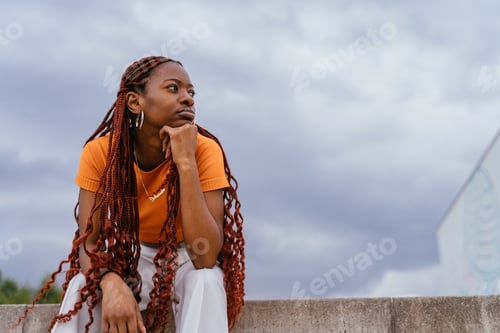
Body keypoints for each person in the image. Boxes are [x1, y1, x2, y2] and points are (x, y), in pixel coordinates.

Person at [13, 56, 245, 333]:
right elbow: (90, 242)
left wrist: (186, 163)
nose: (188, 99)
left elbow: (205, 257)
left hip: (187, 258)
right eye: (174, 88)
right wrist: (110, 282)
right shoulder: (101, 153)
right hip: (131, 255)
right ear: (135, 103)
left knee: (207, 279)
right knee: (80, 284)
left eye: (191, 92)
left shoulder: (204, 150)